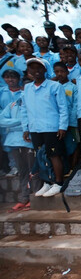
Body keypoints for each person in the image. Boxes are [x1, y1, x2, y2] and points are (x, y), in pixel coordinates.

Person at [21, 58, 69, 197]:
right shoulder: (28, 88)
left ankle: (58, 183)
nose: (36, 71)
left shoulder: (54, 86)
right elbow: (24, 109)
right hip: (35, 128)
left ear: (45, 70)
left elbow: (63, 108)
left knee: (54, 155)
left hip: (51, 127)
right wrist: (26, 128)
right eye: (32, 68)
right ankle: (46, 182)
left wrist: (62, 126)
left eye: (39, 68)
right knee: (41, 156)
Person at [0, 70, 34, 211]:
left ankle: (33, 197)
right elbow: (2, 120)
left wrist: (16, 123)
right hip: (14, 141)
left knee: (33, 171)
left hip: (30, 141)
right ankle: (24, 198)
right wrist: (20, 122)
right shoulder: (14, 104)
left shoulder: (34, 104)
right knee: (22, 172)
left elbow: (33, 120)